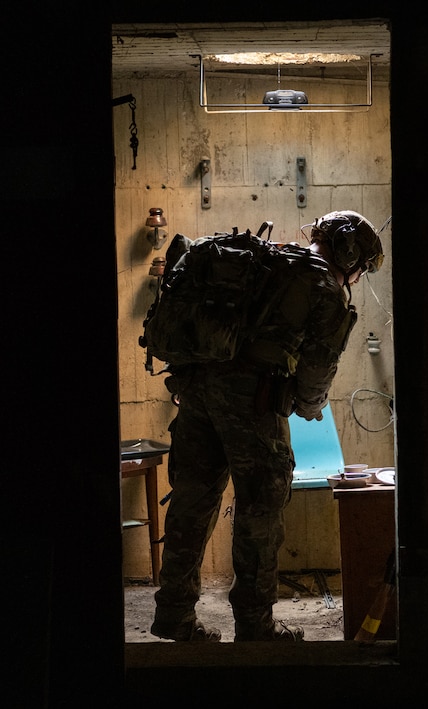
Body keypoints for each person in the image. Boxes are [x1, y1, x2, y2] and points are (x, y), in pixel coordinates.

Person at [149, 210, 385, 642]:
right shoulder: (323, 286)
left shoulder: (269, 260)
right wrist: (307, 406)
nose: (355, 276)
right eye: (360, 268)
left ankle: (173, 614)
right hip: (253, 404)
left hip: (198, 389)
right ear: (350, 253)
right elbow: (316, 373)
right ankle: (256, 626)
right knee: (260, 511)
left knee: (190, 503)